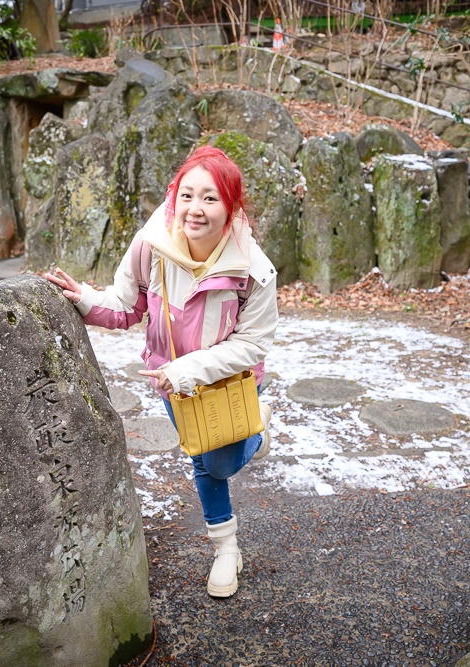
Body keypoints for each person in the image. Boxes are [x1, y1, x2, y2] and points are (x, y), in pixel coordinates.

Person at [44, 146, 278, 598]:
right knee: (203, 461)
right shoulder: (152, 245)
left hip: (230, 381)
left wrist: (187, 369)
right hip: (173, 383)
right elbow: (126, 304)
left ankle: (257, 429)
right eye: (186, 195)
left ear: (231, 207)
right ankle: (225, 548)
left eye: (210, 198)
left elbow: (252, 344)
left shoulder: (254, 270)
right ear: (174, 196)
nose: (195, 208)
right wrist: (86, 299)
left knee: (222, 461)